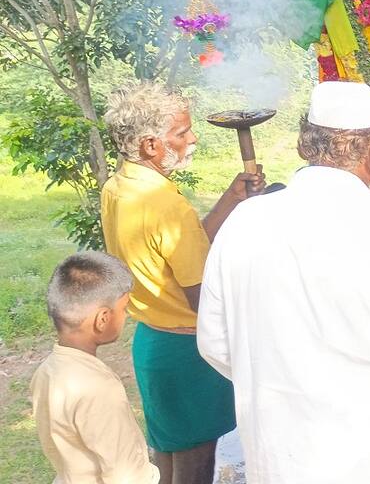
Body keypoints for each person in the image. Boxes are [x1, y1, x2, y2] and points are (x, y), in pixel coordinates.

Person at [196, 81, 370, 483]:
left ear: (306, 144)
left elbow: (215, 342)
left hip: (279, 461)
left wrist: (279, 378)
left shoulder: (244, 224)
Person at [101, 83, 263, 484]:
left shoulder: (119, 187)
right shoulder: (165, 203)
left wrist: (230, 199)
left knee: (169, 457)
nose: (192, 139)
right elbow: (201, 298)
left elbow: (180, 247)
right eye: (182, 132)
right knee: (194, 465)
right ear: (151, 145)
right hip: (188, 350)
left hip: (153, 343)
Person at [31, 252, 160, 484]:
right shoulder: (99, 387)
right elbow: (126, 474)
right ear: (102, 319)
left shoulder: (47, 371)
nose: (126, 316)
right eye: (124, 309)